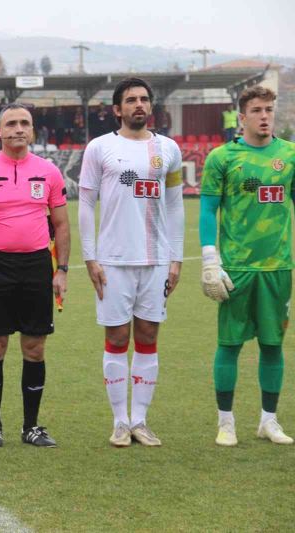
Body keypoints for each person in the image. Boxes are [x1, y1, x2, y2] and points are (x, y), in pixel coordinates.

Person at [78, 77, 184, 448]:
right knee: (117, 337)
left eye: (144, 99)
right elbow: (86, 205)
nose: (139, 104)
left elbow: (174, 204)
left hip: (155, 261)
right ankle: (119, 421)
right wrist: (90, 257)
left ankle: (140, 420)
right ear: (117, 109)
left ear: (151, 106)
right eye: (131, 100)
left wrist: (176, 258)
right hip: (113, 261)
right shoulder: (100, 148)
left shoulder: (168, 149)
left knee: (149, 337)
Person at [0, 103, 70, 448]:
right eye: (11, 123)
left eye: (24, 123)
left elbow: (63, 225)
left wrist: (62, 270)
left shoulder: (49, 172)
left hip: (37, 266)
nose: (18, 129)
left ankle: (31, 426)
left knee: (34, 347)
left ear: (33, 130)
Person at [199, 85, 295, 447]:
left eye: (269, 109)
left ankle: (268, 421)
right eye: (257, 110)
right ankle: (226, 422)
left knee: (273, 345)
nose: (265, 116)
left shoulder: (290, 155)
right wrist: (210, 258)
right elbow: (208, 210)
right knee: (230, 343)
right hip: (236, 267)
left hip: (278, 267)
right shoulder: (222, 157)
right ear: (242, 117)